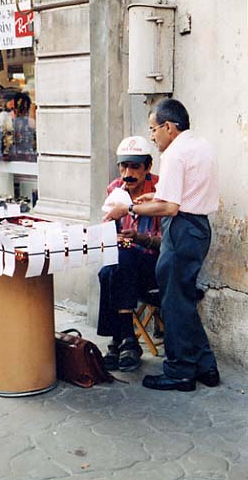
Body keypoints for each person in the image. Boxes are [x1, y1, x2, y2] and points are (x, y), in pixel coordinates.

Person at [104, 98, 220, 391]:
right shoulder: (201, 146)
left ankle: (180, 372)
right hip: (198, 228)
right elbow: (176, 197)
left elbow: (169, 207)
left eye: (154, 129)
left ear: (169, 127)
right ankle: (206, 367)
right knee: (182, 301)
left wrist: (129, 209)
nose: (153, 136)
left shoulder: (175, 153)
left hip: (181, 229)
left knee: (174, 304)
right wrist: (146, 200)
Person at [98, 136, 161, 372]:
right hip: (125, 267)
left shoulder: (160, 189)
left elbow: (167, 243)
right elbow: (107, 227)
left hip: (153, 265)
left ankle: (119, 340)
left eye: (135, 167)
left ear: (148, 167)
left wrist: (139, 238)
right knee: (107, 271)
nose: (128, 173)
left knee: (121, 259)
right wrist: (111, 235)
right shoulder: (115, 189)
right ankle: (124, 341)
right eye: (124, 166)